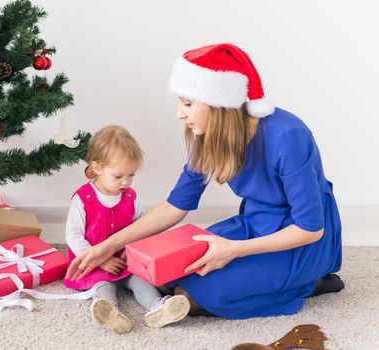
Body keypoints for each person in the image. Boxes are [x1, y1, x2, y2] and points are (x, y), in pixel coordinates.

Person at [66, 43, 344, 320]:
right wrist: (108, 246)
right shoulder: (207, 138)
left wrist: (234, 250)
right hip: (254, 223)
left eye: (188, 104)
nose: (179, 113)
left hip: (301, 239)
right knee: (161, 273)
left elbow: (310, 228)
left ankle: (309, 282)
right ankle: (278, 279)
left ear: (220, 105)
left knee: (191, 294)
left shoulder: (288, 136)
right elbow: (175, 206)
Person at [63, 125, 191, 333]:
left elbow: (141, 226)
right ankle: (110, 311)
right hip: (94, 262)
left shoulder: (130, 196)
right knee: (104, 285)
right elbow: (74, 237)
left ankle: (158, 307)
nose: (126, 182)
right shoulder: (83, 199)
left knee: (141, 281)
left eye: (131, 175)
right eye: (118, 176)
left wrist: (134, 251)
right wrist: (101, 260)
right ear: (97, 168)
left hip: (125, 259)